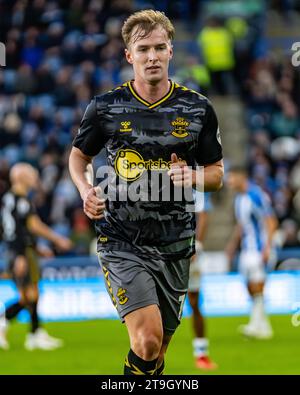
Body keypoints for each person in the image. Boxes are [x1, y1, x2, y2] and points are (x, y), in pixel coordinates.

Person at [69, 9, 223, 375]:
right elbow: (78, 158)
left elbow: (217, 175)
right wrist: (85, 190)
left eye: (159, 47)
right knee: (147, 340)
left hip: (175, 245)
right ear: (129, 55)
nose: (151, 56)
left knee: (156, 353)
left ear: (171, 50)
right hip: (122, 241)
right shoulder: (105, 107)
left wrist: (193, 176)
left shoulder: (198, 109)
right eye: (143, 49)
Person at [0, 163, 72, 350]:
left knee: (29, 295)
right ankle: (19, 327)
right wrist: (57, 239)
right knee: (30, 295)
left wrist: (36, 247)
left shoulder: (10, 199)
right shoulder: (21, 200)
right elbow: (33, 226)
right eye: (32, 175)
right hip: (21, 252)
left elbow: (16, 229)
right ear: (22, 177)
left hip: (17, 250)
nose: (35, 178)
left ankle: (34, 333)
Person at [226, 166, 277, 339]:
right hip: (247, 250)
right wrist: (232, 247)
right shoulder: (239, 200)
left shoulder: (256, 195)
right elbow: (241, 226)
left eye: (232, 177)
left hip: (259, 248)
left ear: (242, 177)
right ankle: (264, 326)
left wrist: (268, 247)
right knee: (250, 287)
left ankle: (255, 326)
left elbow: (270, 220)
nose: (229, 181)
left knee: (257, 286)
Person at [188, 191, 217, 370]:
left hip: (189, 252)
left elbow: (203, 216)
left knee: (194, 302)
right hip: (163, 250)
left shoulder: (194, 188)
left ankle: (201, 353)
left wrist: (196, 244)